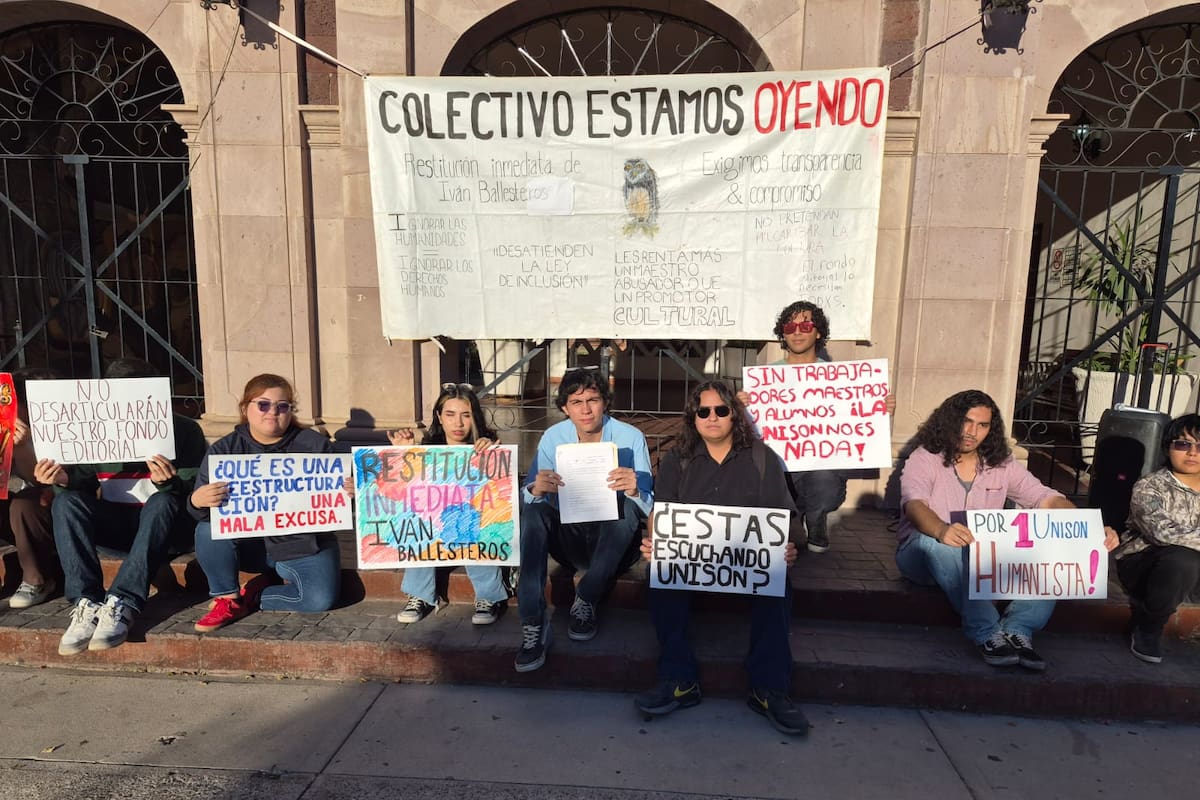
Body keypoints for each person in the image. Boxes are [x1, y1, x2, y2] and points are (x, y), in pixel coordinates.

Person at [896, 389, 1118, 670]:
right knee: (937, 546)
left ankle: (1018, 630)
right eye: (966, 421)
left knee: (1047, 544)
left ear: (991, 429)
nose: (972, 431)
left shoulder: (1000, 463)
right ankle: (987, 633)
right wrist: (941, 529)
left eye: (982, 425)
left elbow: (1043, 497)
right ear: (950, 420)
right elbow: (914, 504)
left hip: (980, 559)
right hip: (923, 556)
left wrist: (1088, 529)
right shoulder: (925, 456)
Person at [635, 381, 807, 735]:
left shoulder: (762, 458)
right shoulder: (677, 460)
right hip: (693, 562)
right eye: (703, 411)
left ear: (734, 415)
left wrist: (788, 546)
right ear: (693, 418)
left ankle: (768, 687)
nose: (712, 417)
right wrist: (654, 540)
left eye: (721, 410)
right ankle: (678, 679)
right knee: (661, 573)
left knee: (777, 582)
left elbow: (785, 517)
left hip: (745, 564)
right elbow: (662, 512)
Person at [42, 358, 207, 654]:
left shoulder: (185, 431)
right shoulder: (97, 429)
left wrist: (168, 482)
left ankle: (123, 602)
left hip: (168, 529)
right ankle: (86, 602)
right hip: (118, 525)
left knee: (162, 500)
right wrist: (63, 479)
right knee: (66, 501)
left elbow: (196, 488)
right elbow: (81, 482)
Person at [515, 367, 653, 673]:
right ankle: (533, 623)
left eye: (593, 399)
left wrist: (634, 490)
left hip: (615, 543)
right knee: (535, 511)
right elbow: (527, 497)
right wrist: (536, 489)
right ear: (565, 407)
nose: (586, 409)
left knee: (627, 509)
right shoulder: (553, 437)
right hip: (570, 540)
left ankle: (587, 597)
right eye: (576, 402)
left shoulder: (631, 438)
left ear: (605, 401)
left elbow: (647, 507)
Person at [188, 374, 342, 631]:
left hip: (301, 543)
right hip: (250, 546)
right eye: (263, 404)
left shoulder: (315, 446)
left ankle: (253, 597)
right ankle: (227, 597)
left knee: (318, 599)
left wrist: (345, 496)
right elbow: (199, 515)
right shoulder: (224, 451)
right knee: (207, 530)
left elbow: (336, 513)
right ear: (245, 408)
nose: (273, 412)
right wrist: (197, 501)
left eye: (283, 406)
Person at [743, 301, 894, 554]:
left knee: (825, 482)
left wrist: (880, 407)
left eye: (806, 325)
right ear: (783, 333)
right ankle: (788, 519)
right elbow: (749, 430)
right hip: (779, 465)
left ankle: (816, 517)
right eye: (791, 326)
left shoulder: (843, 378)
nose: (798, 331)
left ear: (818, 332)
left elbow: (858, 422)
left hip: (820, 468)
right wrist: (741, 408)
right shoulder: (765, 378)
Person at [388, 382, 509, 626]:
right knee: (417, 521)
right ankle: (419, 594)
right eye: (450, 415)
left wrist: (492, 456)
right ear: (439, 417)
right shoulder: (425, 450)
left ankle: (488, 596)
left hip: (469, 528)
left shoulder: (489, 448)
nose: (458, 423)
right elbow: (403, 495)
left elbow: (500, 501)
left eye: (466, 415)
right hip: (435, 531)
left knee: (476, 522)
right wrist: (403, 454)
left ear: (475, 417)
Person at [1115, 413, 1200, 664]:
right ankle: (1148, 627)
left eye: (1199, 445)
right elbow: (1162, 532)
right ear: (1167, 447)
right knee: (1183, 558)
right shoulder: (1149, 486)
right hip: (1145, 565)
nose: (1192, 453)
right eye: (1183, 444)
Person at [3, 368, 61, 608]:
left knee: (24, 503)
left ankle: (36, 579)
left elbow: (41, 482)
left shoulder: (58, 424)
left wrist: (23, 448)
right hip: (34, 514)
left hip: (61, 500)